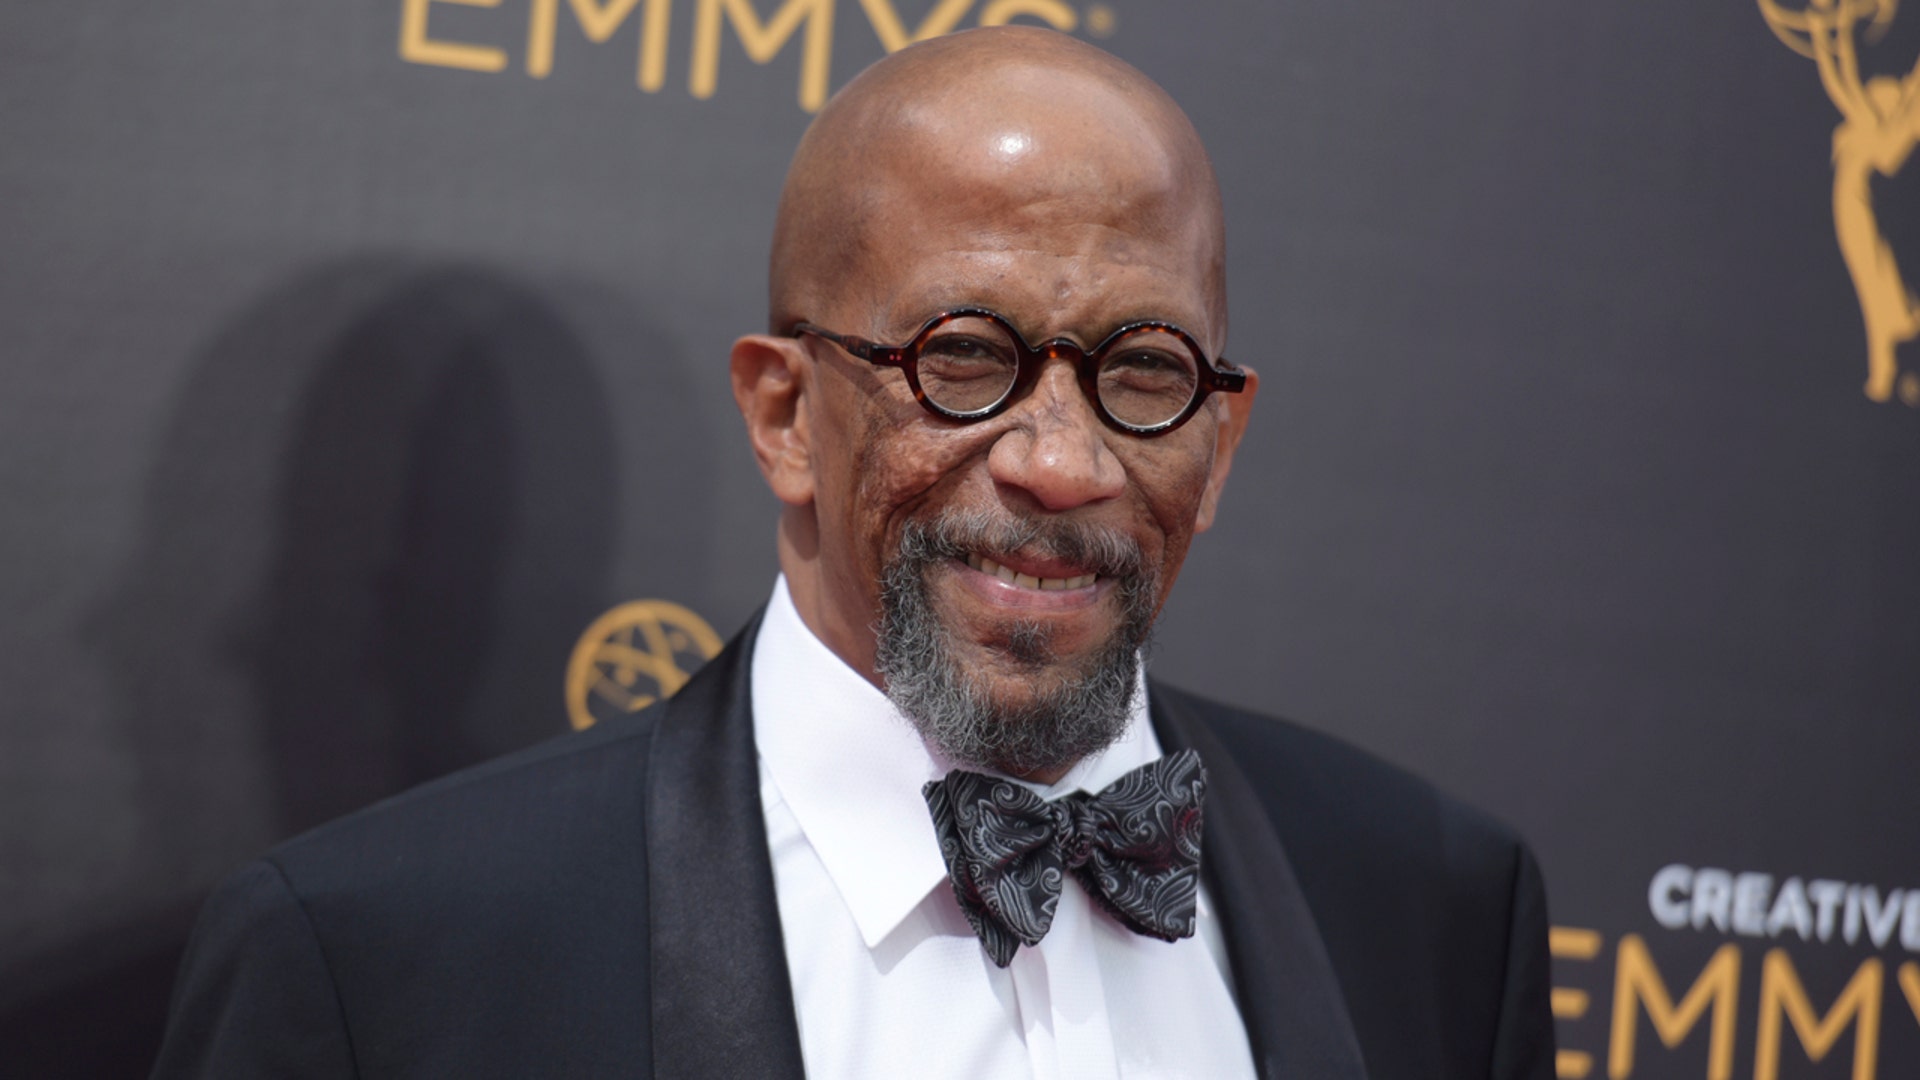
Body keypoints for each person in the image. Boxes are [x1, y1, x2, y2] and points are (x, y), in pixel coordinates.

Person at [153, 27, 1554, 1080]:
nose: (1061, 466)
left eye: (1142, 369)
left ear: (1224, 440)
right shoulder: (376, 966)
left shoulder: (1435, 912)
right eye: (962, 358)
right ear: (782, 414)